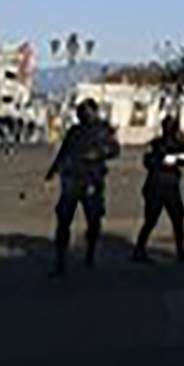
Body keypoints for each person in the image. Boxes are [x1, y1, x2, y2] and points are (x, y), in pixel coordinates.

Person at [45, 99, 121, 276]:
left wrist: (99, 153)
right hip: (71, 180)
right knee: (63, 221)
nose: (82, 114)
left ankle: (90, 254)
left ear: (94, 111)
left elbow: (115, 149)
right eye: (80, 111)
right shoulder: (74, 131)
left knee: (94, 221)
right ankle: (60, 261)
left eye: (85, 111)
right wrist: (53, 170)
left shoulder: (103, 129)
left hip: (92, 181)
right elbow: (64, 152)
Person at [132, 113, 184, 263]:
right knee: (151, 220)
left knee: (178, 218)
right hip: (155, 186)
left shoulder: (179, 143)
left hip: (171, 186)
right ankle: (139, 250)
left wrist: (176, 158)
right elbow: (148, 161)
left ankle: (181, 250)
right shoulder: (156, 143)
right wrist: (163, 160)